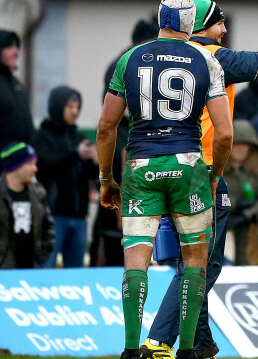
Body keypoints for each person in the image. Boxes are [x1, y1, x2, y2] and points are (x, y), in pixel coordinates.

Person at [140, 0, 258, 359]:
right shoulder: (211, 57)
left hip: (163, 168)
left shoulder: (158, 59)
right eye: (219, 23)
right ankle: (158, 339)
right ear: (201, 25)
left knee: (194, 261)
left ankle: (198, 349)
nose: (224, 30)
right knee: (203, 265)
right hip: (201, 172)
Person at [97, 0, 233, 359]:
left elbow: (107, 127)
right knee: (195, 261)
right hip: (189, 165)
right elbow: (223, 134)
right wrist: (215, 175)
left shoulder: (130, 58)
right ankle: (188, 356)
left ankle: (128, 356)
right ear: (191, 23)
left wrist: (107, 178)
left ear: (160, 19)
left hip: (140, 165)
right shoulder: (207, 61)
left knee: (135, 260)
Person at [91, 19, 160, 268]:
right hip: (125, 142)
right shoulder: (130, 63)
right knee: (117, 213)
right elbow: (113, 116)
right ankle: (113, 265)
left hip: (126, 138)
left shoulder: (126, 61)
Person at [32, 86, 98, 268]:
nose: (75, 112)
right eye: (70, 107)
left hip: (78, 217)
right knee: (46, 269)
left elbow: (88, 176)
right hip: (53, 216)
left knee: (76, 273)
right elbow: (45, 165)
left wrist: (95, 162)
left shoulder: (79, 137)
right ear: (57, 106)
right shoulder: (42, 136)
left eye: (77, 107)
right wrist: (75, 155)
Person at [223, 119, 258, 265]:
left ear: (251, 147)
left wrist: (249, 212)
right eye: (236, 145)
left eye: (244, 145)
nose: (240, 149)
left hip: (252, 225)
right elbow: (210, 195)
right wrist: (236, 204)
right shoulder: (218, 168)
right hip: (223, 222)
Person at [0, 142, 54, 268]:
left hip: (31, 270)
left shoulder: (38, 193)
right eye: (29, 163)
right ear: (15, 166)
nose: (35, 168)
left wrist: (41, 257)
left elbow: (48, 228)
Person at [0, 30, 34, 166]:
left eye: (17, 47)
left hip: (21, 164)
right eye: (9, 47)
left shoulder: (16, 83)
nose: (16, 52)